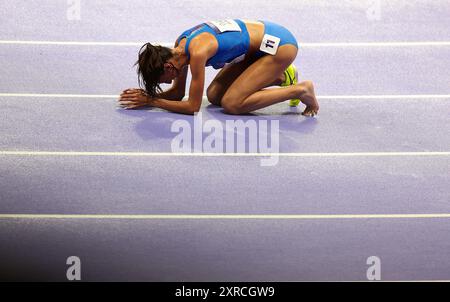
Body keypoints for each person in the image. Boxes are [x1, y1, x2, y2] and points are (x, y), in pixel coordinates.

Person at [119, 19, 319, 116]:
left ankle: (301, 89)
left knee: (232, 104)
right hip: (256, 51)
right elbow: (178, 94)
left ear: (168, 66)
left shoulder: (197, 52)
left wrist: (153, 101)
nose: (166, 82)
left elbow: (192, 107)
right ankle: (281, 76)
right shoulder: (180, 46)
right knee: (214, 95)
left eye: (161, 79)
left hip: (280, 47)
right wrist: (146, 97)